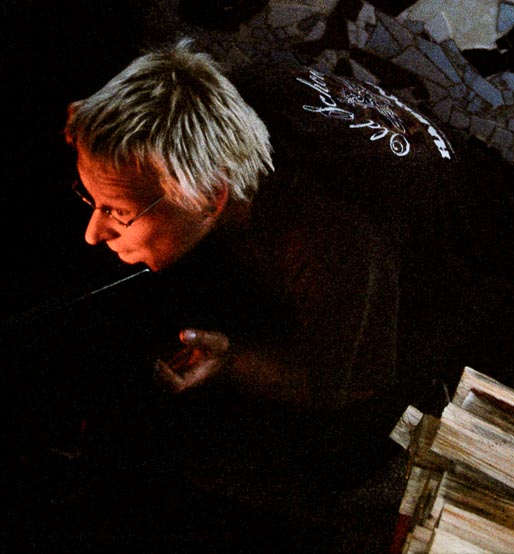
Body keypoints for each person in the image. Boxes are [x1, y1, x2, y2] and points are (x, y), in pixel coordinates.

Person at [55, 39, 473, 546]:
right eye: (91, 199)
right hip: (359, 227)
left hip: (448, 285)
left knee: (329, 456)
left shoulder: (330, 241)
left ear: (210, 197)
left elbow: (344, 385)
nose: (93, 233)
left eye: (117, 212)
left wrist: (233, 362)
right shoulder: (220, 101)